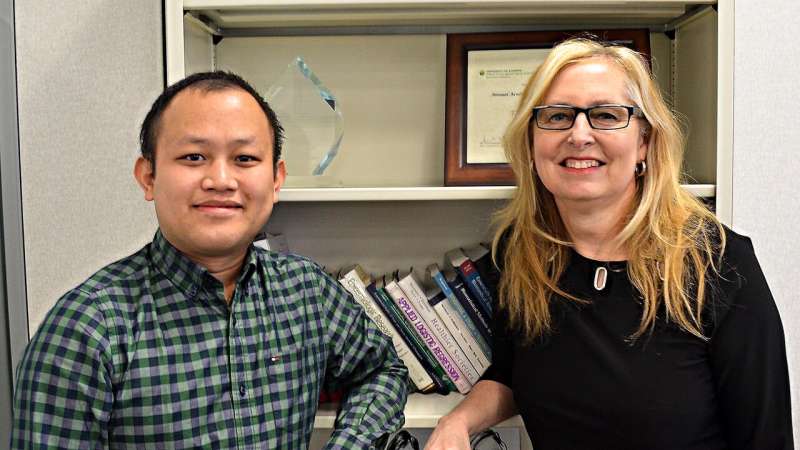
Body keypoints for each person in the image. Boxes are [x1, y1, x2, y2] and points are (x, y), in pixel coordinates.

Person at [425, 38, 792, 449]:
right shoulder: (523, 253)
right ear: (531, 142)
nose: (579, 135)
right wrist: (458, 421)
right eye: (558, 116)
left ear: (645, 142)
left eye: (605, 115)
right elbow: (513, 372)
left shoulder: (720, 265)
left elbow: (766, 438)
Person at [12, 71, 409, 449]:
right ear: (148, 177)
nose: (220, 179)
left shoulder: (307, 291)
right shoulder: (85, 328)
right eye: (194, 157)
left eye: (245, 159)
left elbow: (382, 370)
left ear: (276, 181)